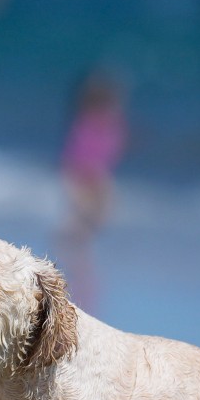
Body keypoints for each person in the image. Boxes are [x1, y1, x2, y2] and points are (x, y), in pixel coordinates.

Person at [56, 69, 125, 313]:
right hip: (95, 184)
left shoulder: (93, 124)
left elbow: (78, 161)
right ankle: (82, 291)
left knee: (76, 241)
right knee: (78, 241)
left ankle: (80, 292)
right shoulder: (104, 125)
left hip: (91, 184)